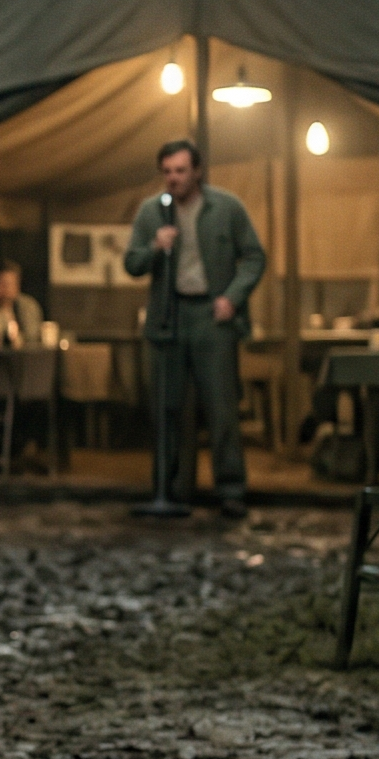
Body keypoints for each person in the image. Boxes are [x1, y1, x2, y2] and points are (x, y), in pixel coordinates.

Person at [123, 139, 266, 517]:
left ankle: (230, 489)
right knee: (169, 407)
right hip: (169, 316)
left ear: (197, 171)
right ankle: (173, 489)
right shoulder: (152, 211)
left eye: (181, 171)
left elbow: (254, 256)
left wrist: (232, 297)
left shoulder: (226, 207)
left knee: (221, 406)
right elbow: (132, 263)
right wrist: (155, 247)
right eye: (167, 171)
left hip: (211, 315)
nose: (174, 178)